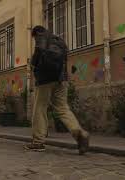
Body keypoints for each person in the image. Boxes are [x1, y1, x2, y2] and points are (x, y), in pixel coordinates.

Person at [24, 25, 89, 155]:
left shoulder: (40, 37)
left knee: (40, 108)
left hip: (45, 80)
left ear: (36, 33)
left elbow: (38, 54)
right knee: (63, 108)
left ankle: (38, 142)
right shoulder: (59, 40)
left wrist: (33, 63)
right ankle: (80, 134)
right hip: (61, 79)